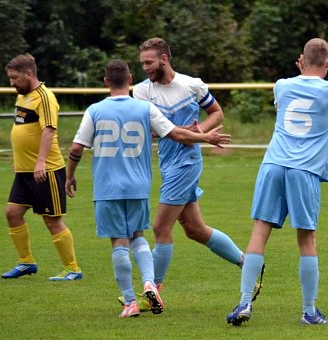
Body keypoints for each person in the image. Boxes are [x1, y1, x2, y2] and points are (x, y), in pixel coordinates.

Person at [226, 38, 328, 326]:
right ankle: (309, 311)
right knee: (306, 239)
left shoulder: (282, 85)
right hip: (304, 170)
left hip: (273, 164)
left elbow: (294, 96)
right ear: (327, 63)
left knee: (258, 233)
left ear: (302, 59)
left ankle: (244, 302)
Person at [65, 60, 231, 318]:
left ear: (105, 81)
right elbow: (175, 134)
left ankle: (130, 302)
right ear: (130, 79)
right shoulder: (145, 108)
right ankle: (150, 284)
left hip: (108, 188)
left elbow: (77, 148)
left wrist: (69, 176)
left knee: (119, 242)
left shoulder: (95, 110)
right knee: (139, 237)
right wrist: (204, 138)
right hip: (138, 186)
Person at [132, 38, 254, 296]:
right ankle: (248, 264)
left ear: (165, 58)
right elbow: (151, 130)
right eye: (143, 63)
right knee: (195, 230)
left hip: (186, 164)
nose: (145, 68)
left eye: (149, 62)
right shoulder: (142, 91)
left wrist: (200, 132)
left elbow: (217, 114)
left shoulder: (192, 85)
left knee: (160, 228)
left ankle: (152, 291)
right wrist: (185, 133)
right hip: (167, 162)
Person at [2, 54, 82, 281]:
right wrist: (19, 161)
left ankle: (72, 269)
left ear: (29, 74)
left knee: (51, 220)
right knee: (12, 213)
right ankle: (26, 262)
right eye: (10, 78)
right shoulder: (22, 97)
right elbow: (22, 131)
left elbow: (49, 130)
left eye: (15, 78)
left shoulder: (45, 97)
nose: (12, 83)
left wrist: (40, 162)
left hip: (46, 171)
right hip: (24, 171)